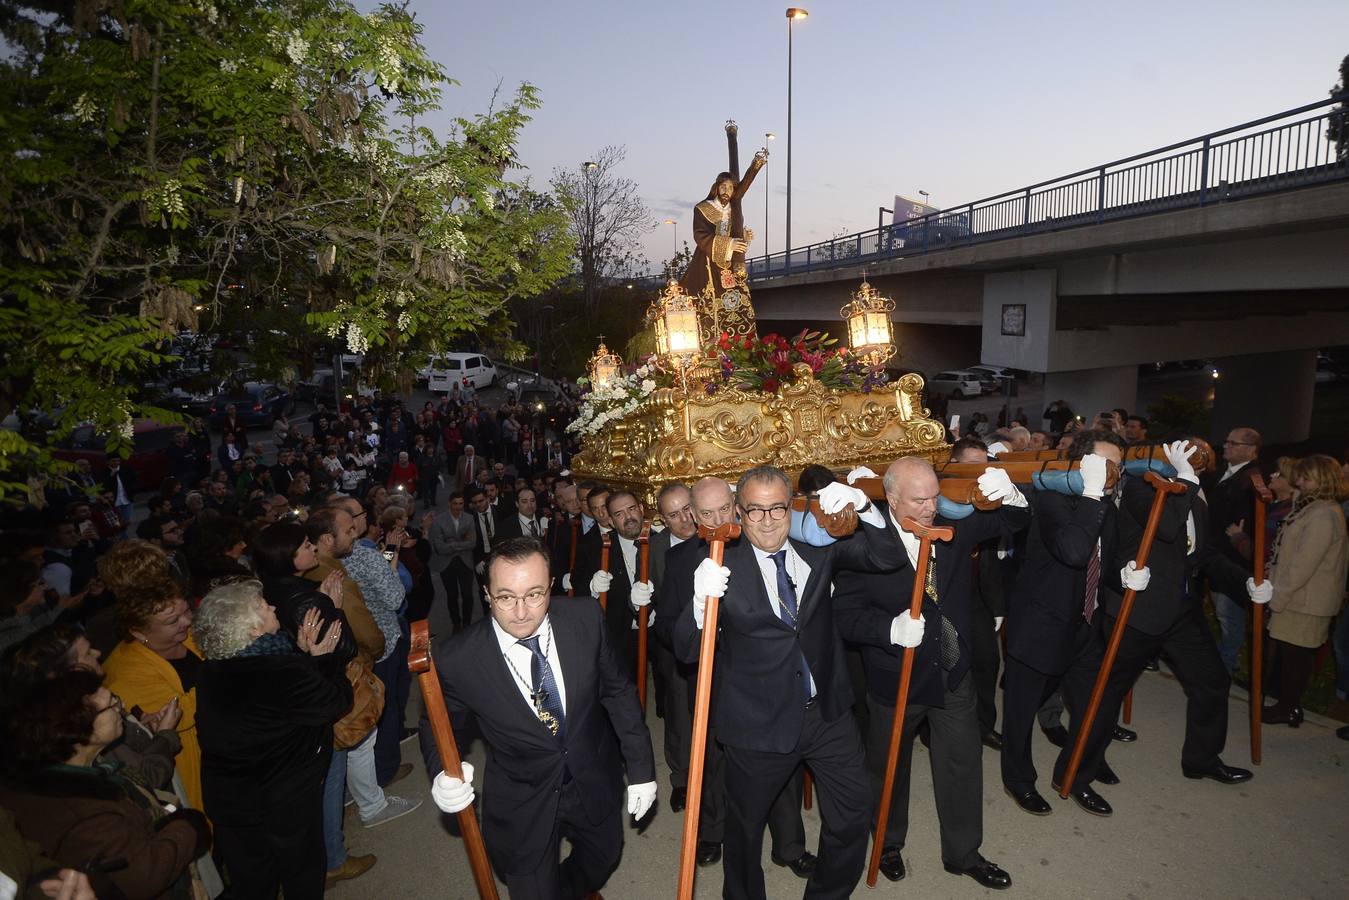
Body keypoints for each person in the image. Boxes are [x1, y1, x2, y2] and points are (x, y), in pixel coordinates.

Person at [673, 466, 906, 900]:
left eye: (777, 508)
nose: (767, 520)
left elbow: (888, 558)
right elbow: (686, 650)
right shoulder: (717, 563)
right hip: (756, 724)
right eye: (755, 510)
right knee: (744, 832)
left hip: (827, 714)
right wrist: (700, 605)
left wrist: (867, 508)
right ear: (739, 513)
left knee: (854, 814)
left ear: (793, 507)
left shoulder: (819, 548)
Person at [424, 536, 657, 898]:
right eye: (505, 597)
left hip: (592, 778)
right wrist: (441, 770)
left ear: (551, 586)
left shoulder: (584, 618)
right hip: (522, 797)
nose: (520, 612)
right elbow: (437, 726)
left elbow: (618, 691)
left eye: (534, 595)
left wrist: (641, 768)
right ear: (487, 593)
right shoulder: (457, 658)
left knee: (604, 858)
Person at [833, 458, 1025, 889]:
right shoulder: (863, 545)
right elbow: (844, 616)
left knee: (962, 761)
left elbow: (1014, 522)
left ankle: (963, 853)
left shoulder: (954, 524)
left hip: (953, 670)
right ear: (893, 498)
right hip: (895, 677)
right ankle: (886, 842)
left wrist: (1010, 493)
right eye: (918, 499)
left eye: (934, 496)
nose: (929, 507)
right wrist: (888, 629)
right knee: (889, 767)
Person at [656, 476, 813, 875]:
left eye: (725, 509)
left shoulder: (759, 542)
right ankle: (712, 832)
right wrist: (698, 610)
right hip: (710, 679)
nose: (718, 518)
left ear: (736, 505)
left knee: (780, 759)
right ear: (694, 515)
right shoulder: (680, 561)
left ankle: (790, 845)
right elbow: (671, 631)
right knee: (711, 762)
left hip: (762, 681)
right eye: (706, 513)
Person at [1089, 440, 1254, 791]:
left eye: (1202, 457)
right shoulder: (1141, 486)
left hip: (1181, 609)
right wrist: (1186, 481)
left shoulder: (1196, 496)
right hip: (1137, 609)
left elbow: (1203, 553)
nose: (1199, 460)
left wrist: (1247, 582)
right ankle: (1086, 765)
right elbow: (1165, 526)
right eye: (1191, 453)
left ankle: (1201, 759)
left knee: (1212, 681)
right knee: (1107, 690)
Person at [1001, 428, 1132, 818]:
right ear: (1082, 464)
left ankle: (1075, 775)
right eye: (1105, 465)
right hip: (1041, 625)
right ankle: (1019, 780)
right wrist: (1093, 495)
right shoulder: (1053, 500)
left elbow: (1101, 562)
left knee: (1098, 706)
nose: (1113, 474)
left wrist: (1122, 576)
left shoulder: (1107, 508)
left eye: (1118, 467)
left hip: (1085, 626)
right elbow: (1075, 551)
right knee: (1022, 712)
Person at [194, 580, 351, 900]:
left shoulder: (214, 669)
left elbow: (277, 705)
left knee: (253, 883)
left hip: (230, 803)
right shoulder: (278, 668)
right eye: (264, 606)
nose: (274, 607)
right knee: (302, 874)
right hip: (281, 800)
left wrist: (303, 655)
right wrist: (324, 660)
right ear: (251, 629)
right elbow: (334, 703)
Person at [0, 670, 211, 899]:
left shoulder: (79, 776)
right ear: (77, 730)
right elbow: (143, 876)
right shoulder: (82, 810)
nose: (120, 708)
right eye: (111, 705)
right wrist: (188, 827)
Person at [1255, 455, 1349, 726]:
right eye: (1299, 477)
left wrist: (1276, 595)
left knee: (1296, 657)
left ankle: (1288, 707)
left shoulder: (1323, 514)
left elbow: (1303, 564)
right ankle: (1287, 705)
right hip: (1297, 597)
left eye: (1306, 478)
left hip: (1306, 600)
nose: (1298, 482)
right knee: (1290, 654)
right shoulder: (1312, 507)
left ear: (1323, 480)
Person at [101, 570, 206, 811]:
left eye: (186, 612)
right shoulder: (125, 671)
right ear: (138, 631)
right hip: (188, 769)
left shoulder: (186, 636)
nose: (187, 622)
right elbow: (182, 714)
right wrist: (222, 670)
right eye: (173, 621)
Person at [1203, 427, 1261, 675]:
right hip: (1213, 555)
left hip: (1231, 561)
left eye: (1233, 443)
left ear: (1250, 450)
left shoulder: (1252, 481)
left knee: (1229, 618)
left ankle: (1224, 667)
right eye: (1226, 441)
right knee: (1220, 614)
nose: (1226, 446)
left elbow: (1245, 523)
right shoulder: (1222, 475)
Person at [430, 491, 478, 632]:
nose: (458, 507)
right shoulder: (439, 521)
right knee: (452, 595)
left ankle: (467, 623)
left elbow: (472, 543)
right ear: (449, 504)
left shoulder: (469, 519)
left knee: (468, 594)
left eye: (461, 503)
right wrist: (461, 543)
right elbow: (439, 547)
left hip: (465, 562)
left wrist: (450, 543)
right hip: (447, 564)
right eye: (455, 503)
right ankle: (456, 623)